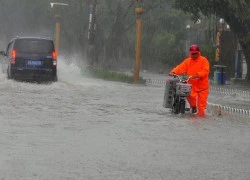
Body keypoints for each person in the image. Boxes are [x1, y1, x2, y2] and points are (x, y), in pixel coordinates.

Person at [169, 44, 210, 117]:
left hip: (202, 88)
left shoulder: (204, 60)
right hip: (191, 86)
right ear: (190, 53)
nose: (194, 55)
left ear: (198, 53)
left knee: (201, 108)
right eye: (192, 54)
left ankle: (201, 121)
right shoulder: (187, 61)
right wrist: (173, 72)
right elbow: (180, 67)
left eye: (195, 54)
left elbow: (205, 70)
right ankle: (193, 113)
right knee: (191, 100)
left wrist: (198, 75)